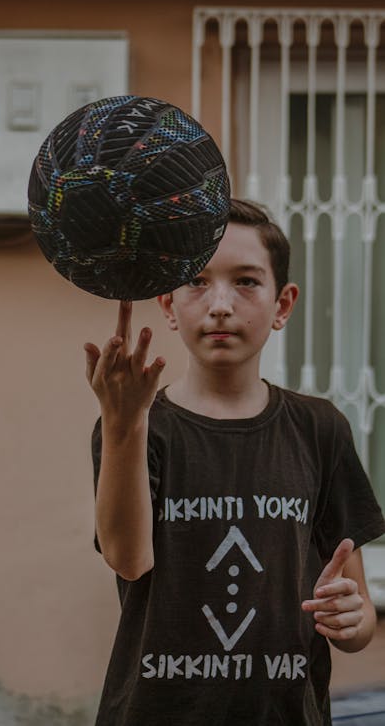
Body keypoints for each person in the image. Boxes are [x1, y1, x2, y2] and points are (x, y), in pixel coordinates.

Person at [83, 198, 385, 726]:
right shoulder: (139, 426)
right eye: (197, 280)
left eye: (246, 281)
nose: (220, 303)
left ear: (283, 303)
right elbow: (128, 559)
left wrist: (352, 618)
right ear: (170, 304)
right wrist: (123, 422)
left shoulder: (319, 428)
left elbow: (354, 624)